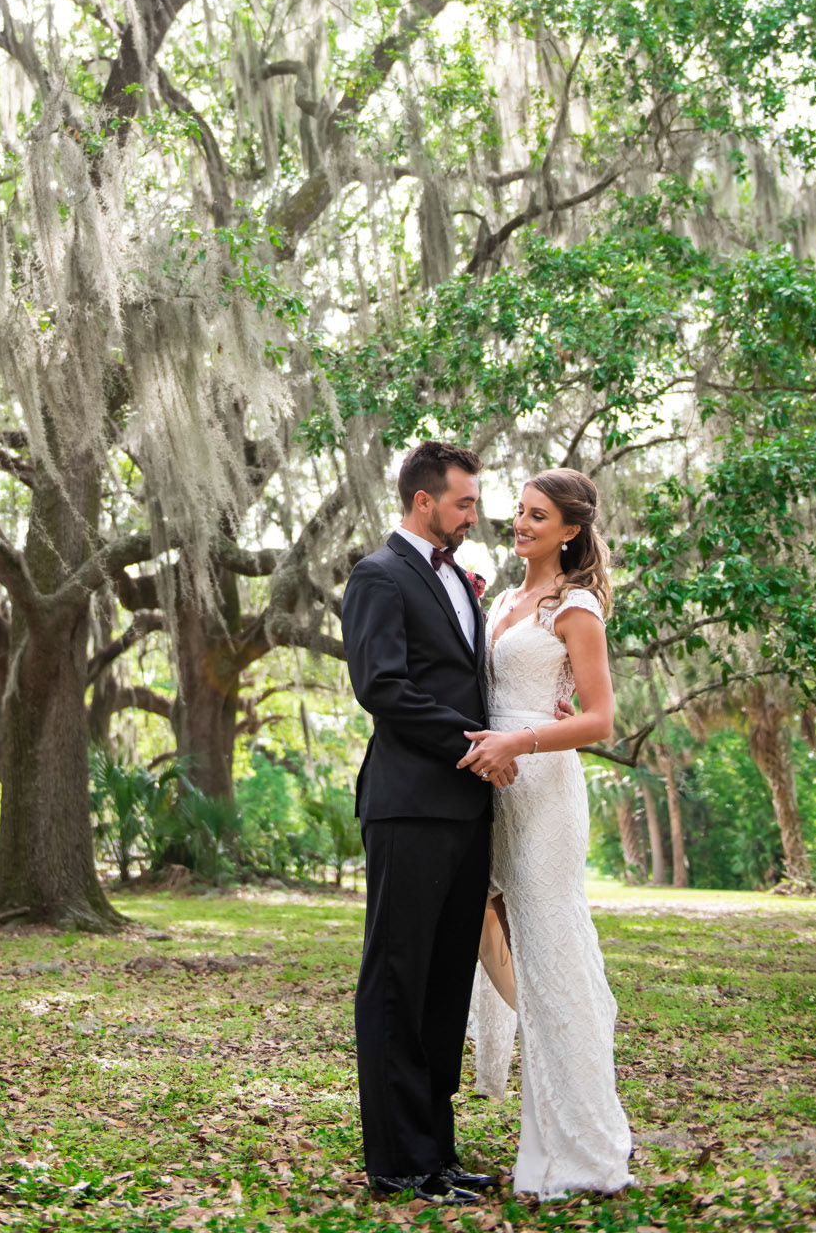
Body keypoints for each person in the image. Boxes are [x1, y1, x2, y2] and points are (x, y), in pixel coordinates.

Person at [340, 440, 515, 1207]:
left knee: (446, 982)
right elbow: (380, 687)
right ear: (423, 502)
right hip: (409, 805)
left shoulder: (461, 585)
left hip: (467, 809)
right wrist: (473, 747)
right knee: (396, 981)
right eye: (464, 503)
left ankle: (437, 1154)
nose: (473, 515)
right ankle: (395, 1163)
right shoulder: (378, 577)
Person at [460, 467, 632, 1199]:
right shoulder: (502, 598)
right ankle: (537, 1044)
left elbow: (597, 719)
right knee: (482, 925)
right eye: (519, 512)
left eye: (537, 516)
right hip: (490, 785)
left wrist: (518, 744)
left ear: (569, 530)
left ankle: (580, 1150)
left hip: (541, 787)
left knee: (551, 947)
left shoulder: (576, 605)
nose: (520, 524)